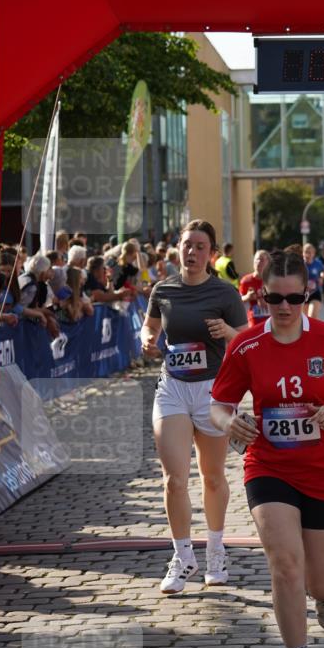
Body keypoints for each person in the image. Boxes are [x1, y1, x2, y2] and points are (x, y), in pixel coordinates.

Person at [210, 249, 324, 648]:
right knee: (284, 564)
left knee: (319, 583)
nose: (283, 307)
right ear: (259, 295)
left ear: (306, 295)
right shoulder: (246, 345)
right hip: (269, 466)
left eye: (294, 298)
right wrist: (228, 424)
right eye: (274, 298)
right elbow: (218, 405)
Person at [140, 220, 248, 596]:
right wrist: (148, 341)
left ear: (211, 253)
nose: (192, 252)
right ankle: (182, 556)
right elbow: (149, 326)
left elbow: (247, 340)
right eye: (187, 245)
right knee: (174, 479)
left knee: (213, 476)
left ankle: (215, 550)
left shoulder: (225, 292)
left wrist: (227, 333)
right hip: (172, 387)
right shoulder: (163, 288)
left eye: (200, 246)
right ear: (178, 248)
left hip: (213, 391)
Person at [239, 250, 271, 327]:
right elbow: (238, 300)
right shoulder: (246, 280)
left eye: (262, 260)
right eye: (257, 259)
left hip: (271, 322)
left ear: (268, 263)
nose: (259, 262)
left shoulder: (273, 280)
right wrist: (248, 297)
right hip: (253, 322)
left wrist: (267, 301)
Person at [302, 243, 324, 319]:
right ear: (303, 253)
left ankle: (313, 330)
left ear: (313, 253)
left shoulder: (318, 263)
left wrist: (322, 277)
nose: (307, 254)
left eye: (310, 252)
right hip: (302, 294)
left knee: (312, 316)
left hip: (315, 292)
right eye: (306, 252)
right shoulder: (300, 265)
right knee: (304, 319)